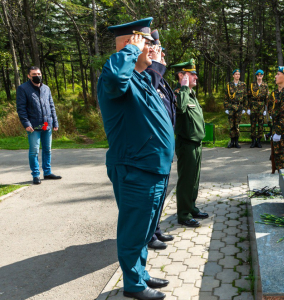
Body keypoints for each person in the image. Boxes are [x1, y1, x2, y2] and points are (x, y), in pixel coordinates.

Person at [98, 17, 174, 300]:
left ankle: (140, 274)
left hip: (152, 168)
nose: (152, 49)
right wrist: (129, 51)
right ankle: (134, 285)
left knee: (144, 230)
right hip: (135, 169)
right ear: (132, 44)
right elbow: (117, 77)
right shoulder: (114, 76)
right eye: (147, 44)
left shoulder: (141, 78)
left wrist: (152, 62)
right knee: (133, 230)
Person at [144, 29, 175, 251]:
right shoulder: (148, 78)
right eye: (157, 48)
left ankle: (155, 230)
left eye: (161, 49)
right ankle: (148, 234)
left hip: (164, 150)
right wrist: (155, 66)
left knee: (161, 195)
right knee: (151, 199)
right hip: (152, 150)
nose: (160, 53)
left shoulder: (160, 79)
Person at [170, 59, 208, 228]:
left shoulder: (190, 93)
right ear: (181, 75)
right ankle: (183, 214)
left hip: (196, 143)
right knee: (186, 180)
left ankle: (191, 207)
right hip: (186, 143)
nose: (195, 77)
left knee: (194, 179)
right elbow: (181, 108)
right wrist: (184, 87)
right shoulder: (179, 93)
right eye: (191, 74)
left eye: (195, 74)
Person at [16, 66, 61, 185]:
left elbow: (52, 106)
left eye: (39, 73)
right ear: (29, 76)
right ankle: (36, 175)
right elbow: (21, 108)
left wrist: (55, 122)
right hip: (33, 126)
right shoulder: (23, 88)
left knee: (47, 150)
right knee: (34, 151)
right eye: (34, 74)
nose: (37, 76)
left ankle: (47, 172)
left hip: (47, 124)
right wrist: (26, 123)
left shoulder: (46, 88)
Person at [268, 67, 284, 173]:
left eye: (278, 74)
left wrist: (278, 132)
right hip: (276, 127)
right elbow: (272, 106)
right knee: (276, 156)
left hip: (282, 129)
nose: (276, 76)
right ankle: (278, 181)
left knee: (282, 158)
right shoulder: (279, 91)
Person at [224, 69, 247, 148]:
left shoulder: (243, 84)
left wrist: (244, 108)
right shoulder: (229, 85)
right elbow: (226, 97)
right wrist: (226, 107)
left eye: (239, 74)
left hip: (239, 107)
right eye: (236, 74)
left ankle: (236, 142)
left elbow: (245, 97)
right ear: (233, 75)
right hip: (231, 107)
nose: (237, 75)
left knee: (237, 125)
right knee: (231, 125)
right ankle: (232, 141)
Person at [247, 69, 269, 148]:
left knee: (260, 124)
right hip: (253, 106)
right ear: (256, 76)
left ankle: (259, 141)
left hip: (261, 107)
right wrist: (248, 108)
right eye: (258, 76)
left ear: (263, 76)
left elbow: (267, 98)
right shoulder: (252, 85)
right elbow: (248, 97)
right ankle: (253, 141)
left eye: (261, 76)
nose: (259, 77)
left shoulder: (265, 85)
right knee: (253, 124)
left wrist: (266, 110)